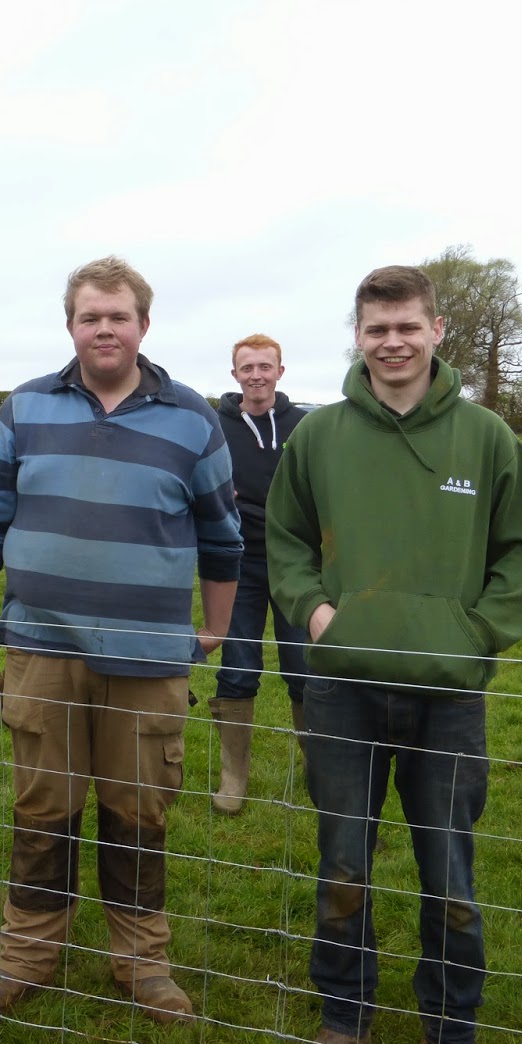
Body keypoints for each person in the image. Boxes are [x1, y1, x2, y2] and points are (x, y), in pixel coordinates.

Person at [266, 265, 522, 1044]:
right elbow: (285, 539)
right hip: (342, 689)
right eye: (377, 329)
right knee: (343, 862)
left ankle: (451, 1032)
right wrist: (318, 613)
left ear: (436, 331)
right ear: (358, 335)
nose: (392, 342)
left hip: (448, 694)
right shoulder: (318, 436)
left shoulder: (487, 437)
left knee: (449, 872)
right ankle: (343, 1020)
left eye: (407, 327)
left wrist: (476, 634)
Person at [0, 255, 242, 1025]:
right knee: (41, 810)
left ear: (144, 325)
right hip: (40, 650)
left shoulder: (192, 418)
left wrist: (215, 630)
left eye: (119, 316)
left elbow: (224, 539)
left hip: (149, 660)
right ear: (71, 325)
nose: (105, 328)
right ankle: (26, 956)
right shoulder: (24, 409)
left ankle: (143, 964)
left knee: (137, 814)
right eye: (91, 316)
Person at [208, 333, 311, 814]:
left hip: (297, 565)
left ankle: (319, 766)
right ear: (235, 375)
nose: (256, 376)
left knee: (305, 669)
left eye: (264, 367)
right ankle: (234, 777)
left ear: (280, 372)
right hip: (237, 565)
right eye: (247, 368)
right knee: (237, 669)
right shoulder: (215, 427)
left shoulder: (305, 425)